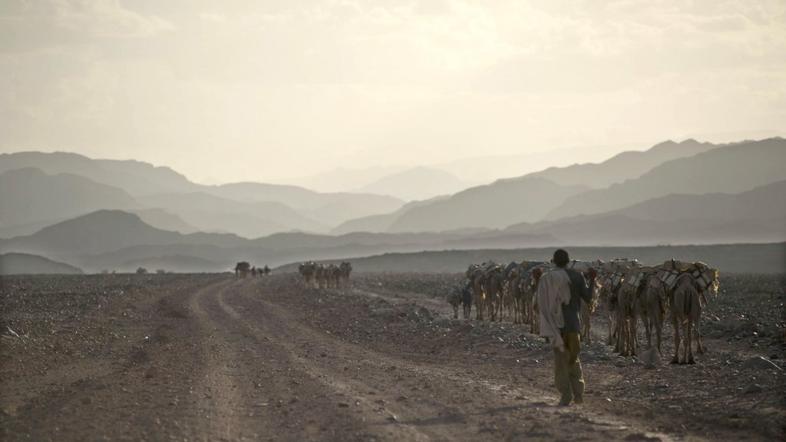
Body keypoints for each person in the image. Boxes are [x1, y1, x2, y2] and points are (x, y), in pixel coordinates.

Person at [536, 249, 594, 406]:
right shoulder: (577, 276)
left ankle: (566, 395)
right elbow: (588, 298)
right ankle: (578, 394)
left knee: (561, 361)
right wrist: (593, 280)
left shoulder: (548, 278)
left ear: (554, 261)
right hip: (574, 326)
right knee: (574, 359)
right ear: (568, 261)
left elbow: (541, 303)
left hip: (557, 328)